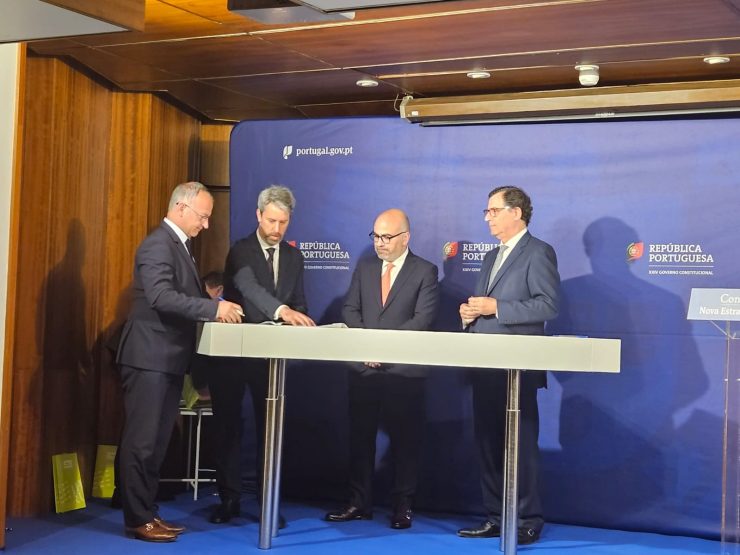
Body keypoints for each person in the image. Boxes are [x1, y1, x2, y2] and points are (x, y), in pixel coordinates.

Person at [116, 182, 244, 542]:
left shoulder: (180, 246)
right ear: (181, 208)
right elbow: (161, 297)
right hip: (149, 358)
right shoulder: (158, 244)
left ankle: (147, 512)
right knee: (142, 443)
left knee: (156, 444)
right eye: (203, 216)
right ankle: (137, 518)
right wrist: (212, 309)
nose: (206, 224)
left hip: (167, 360)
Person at [457, 186, 560, 545]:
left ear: (516, 212)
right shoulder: (490, 256)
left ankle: (528, 519)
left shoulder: (538, 252)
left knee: (521, 446)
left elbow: (548, 305)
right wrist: (470, 314)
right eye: (486, 212)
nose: (488, 218)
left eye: (494, 211)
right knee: (487, 443)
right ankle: (496, 517)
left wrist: (496, 307)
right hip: (484, 364)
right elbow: (484, 306)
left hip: (518, 367)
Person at [325, 209, 439, 530]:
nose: (380, 243)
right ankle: (358, 502)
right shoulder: (365, 267)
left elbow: (422, 320)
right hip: (364, 370)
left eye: (387, 237)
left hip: (403, 373)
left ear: (405, 237)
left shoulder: (425, 271)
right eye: (375, 236)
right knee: (360, 439)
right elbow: (350, 309)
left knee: (405, 443)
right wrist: (368, 347)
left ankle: (402, 507)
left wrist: (383, 350)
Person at [209, 185, 315, 525]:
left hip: (271, 360)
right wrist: (283, 311)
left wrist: (298, 318)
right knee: (228, 427)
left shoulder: (295, 258)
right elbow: (250, 289)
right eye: (271, 221)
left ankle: (267, 503)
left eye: (283, 222)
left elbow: (299, 303)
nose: (276, 229)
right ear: (258, 215)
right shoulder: (240, 251)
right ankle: (229, 500)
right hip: (233, 355)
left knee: (270, 430)